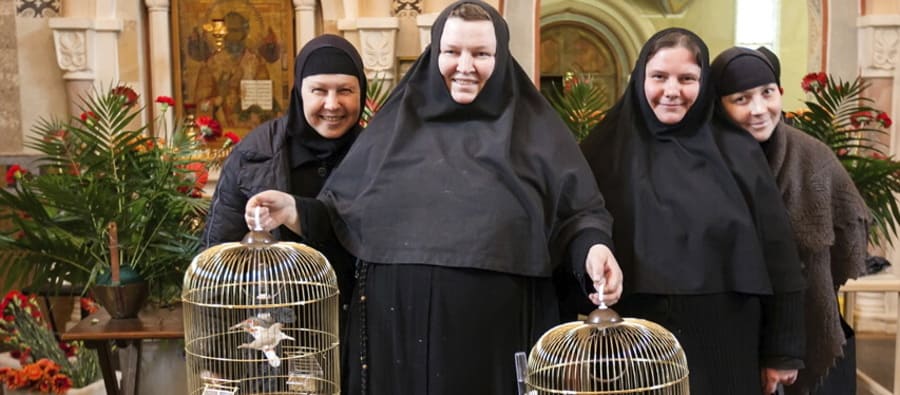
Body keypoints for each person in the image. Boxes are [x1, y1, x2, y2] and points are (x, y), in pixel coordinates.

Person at [243, 1, 623, 393]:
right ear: (434, 52)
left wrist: (594, 248)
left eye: (481, 54)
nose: (465, 65)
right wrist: (292, 209)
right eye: (452, 51)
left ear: (501, 56)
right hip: (396, 343)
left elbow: (579, 214)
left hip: (495, 344)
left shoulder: (537, 131)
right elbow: (341, 215)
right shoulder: (395, 126)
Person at [580, 28, 807, 395]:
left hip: (727, 339)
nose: (672, 91)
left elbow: (779, 254)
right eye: (659, 77)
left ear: (704, 85)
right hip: (632, 341)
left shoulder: (738, 152)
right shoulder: (603, 150)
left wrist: (783, 350)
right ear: (640, 78)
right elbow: (578, 233)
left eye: (687, 79)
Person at [711, 46, 869, 395]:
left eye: (767, 93)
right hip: (729, 328)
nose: (758, 109)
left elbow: (849, 232)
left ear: (780, 93)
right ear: (718, 104)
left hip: (808, 316)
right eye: (741, 98)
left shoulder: (813, 158)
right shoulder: (703, 159)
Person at [202, 34, 366, 352]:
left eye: (345, 90)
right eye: (319, 90)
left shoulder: (378, 154)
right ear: (299, 92)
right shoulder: (254, 154)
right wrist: (215, 351)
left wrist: (298, 213)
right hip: (273, 337)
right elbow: (216, 259)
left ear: (361, 92)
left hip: (357, 334)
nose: (332, 104)